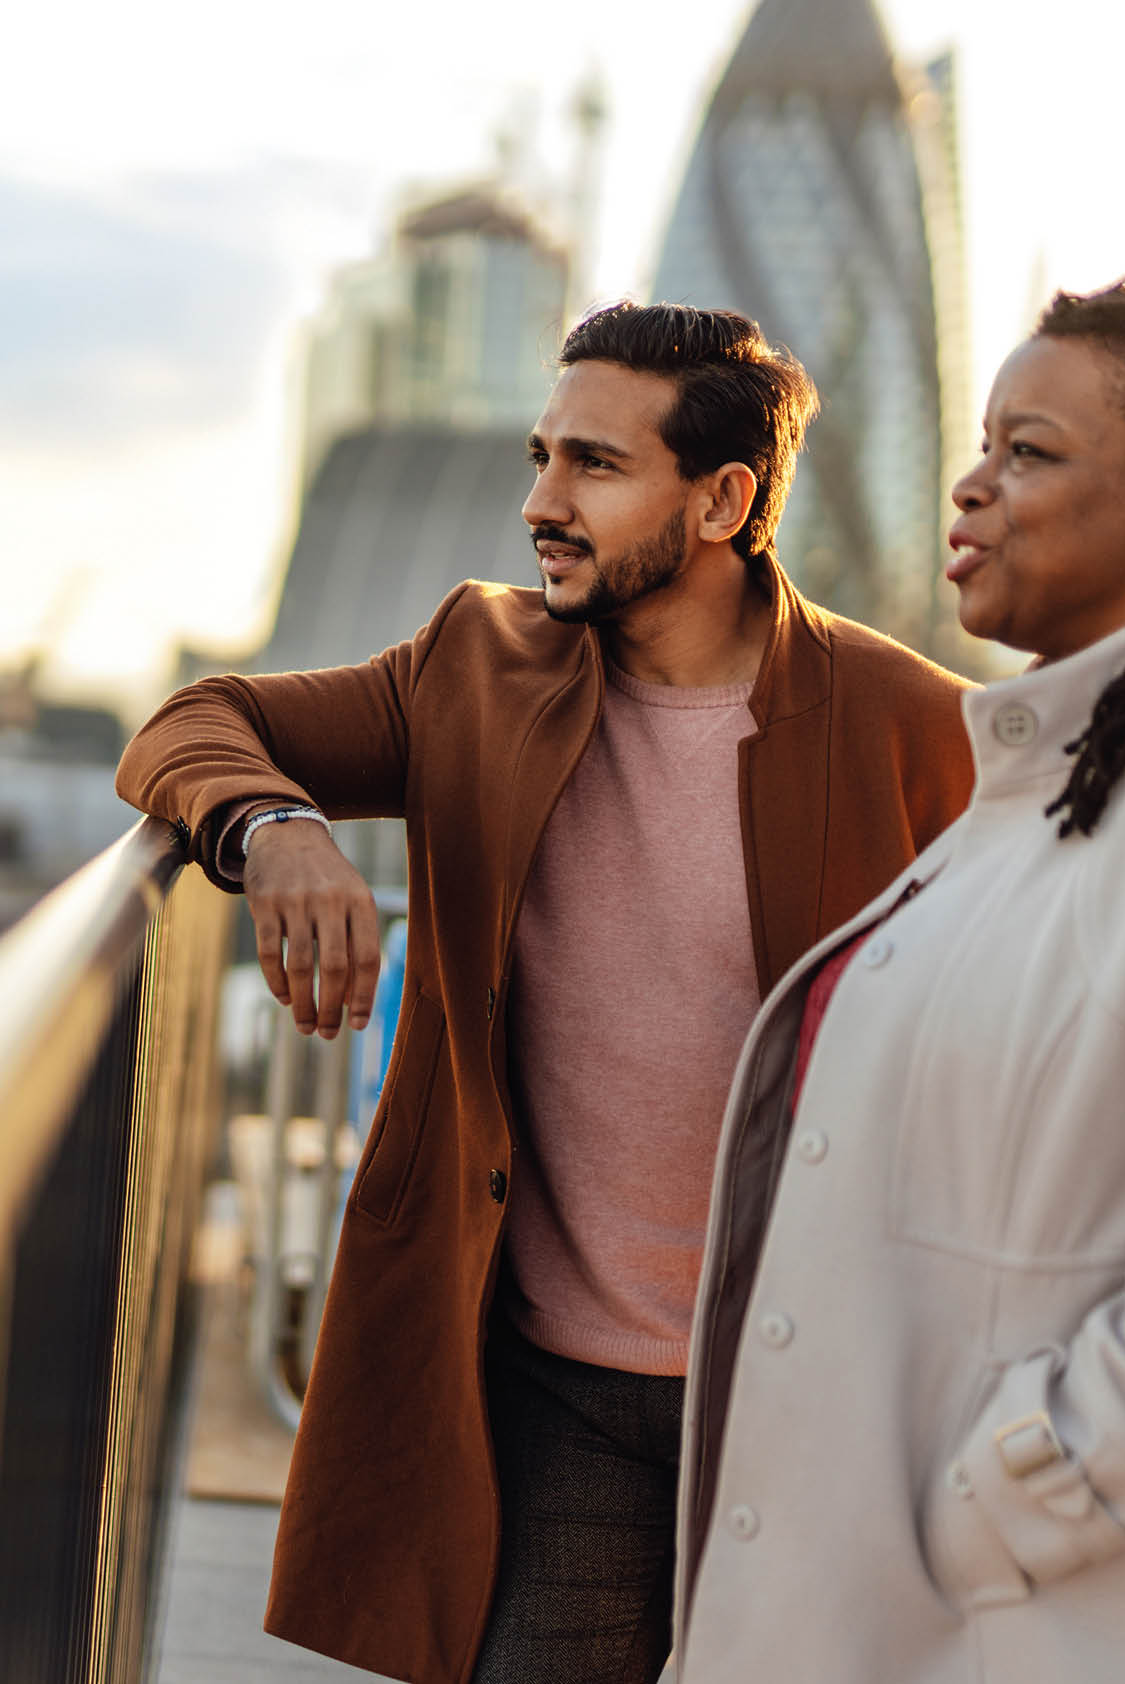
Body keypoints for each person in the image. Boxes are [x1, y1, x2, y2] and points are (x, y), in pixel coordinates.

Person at [115, 301, 976, 1684]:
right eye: (541, 456)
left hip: (813, 1402)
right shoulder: (476, 665)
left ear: (722, 499)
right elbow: (192, 724)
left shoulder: (910, 723)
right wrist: (275, 832)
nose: (540, 504)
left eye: (592, 465)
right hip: (555, 1397)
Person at [671, 269, 1125, 1684]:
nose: (971, 488)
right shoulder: (1060, 780)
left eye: (1030, 453)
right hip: (927, 1617)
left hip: (1081, 1626)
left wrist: (1011, 1496)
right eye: (981, 445)